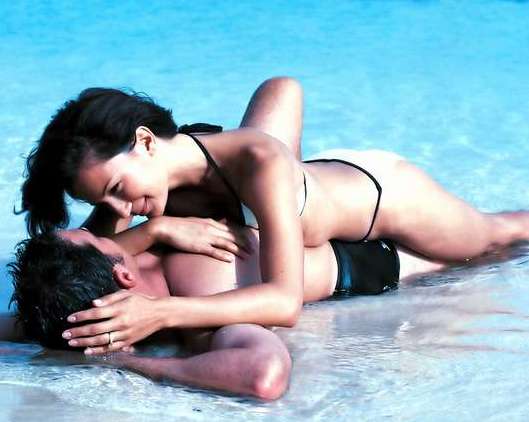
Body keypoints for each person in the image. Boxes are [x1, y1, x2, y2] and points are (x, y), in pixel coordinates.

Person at [17, 77, 529, 352]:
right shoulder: (145, 197)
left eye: (116, 190)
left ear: (146, 142)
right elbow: (89, 262)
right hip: (290, 194)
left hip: (383, 197)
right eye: (103, 204)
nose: (119, 213)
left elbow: (284, 304)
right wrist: (158, 229)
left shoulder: (257, 161)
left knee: (495, 238)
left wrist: (161, 312)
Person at [8, 224, 443, 399]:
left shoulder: (78, 311)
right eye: (95, 236)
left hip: (361, 227)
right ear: (123, 276)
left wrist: (118, 356)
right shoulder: (204, 297)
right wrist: (131, 363)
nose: (95, 226)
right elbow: (265, 375)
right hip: (387, 255)